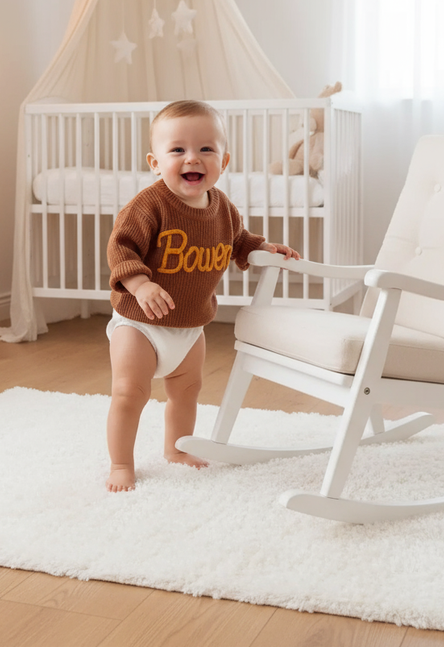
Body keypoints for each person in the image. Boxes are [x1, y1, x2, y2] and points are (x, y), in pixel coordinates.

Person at [105, 100, 300, 492]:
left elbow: (237, 240)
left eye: (205, 149)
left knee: (187, 391)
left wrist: (261, 248)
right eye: (177, 150)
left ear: (223, 161)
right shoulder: (149, 205)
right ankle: (120, 463)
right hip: (140, 324)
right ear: (155, 162)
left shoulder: (222, 207)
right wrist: (141, 284)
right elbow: (121, 249)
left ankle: (176, 450)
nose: (192, 158)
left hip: (190, 325)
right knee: (129, 392)